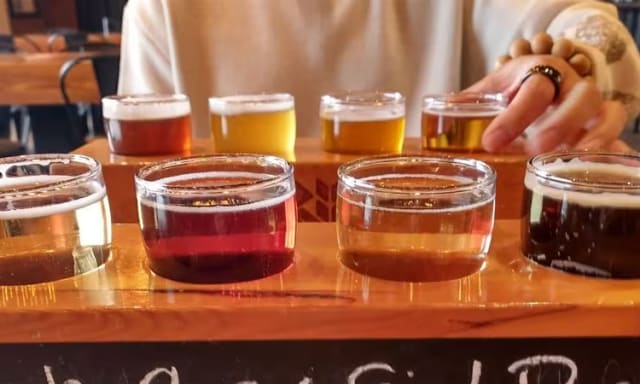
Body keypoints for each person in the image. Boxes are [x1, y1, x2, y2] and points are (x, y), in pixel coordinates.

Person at [118, 0, 640, 154]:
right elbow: (142, 184)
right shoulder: (163, 10)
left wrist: (569, 67)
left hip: (437, 295)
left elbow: (582, 21)